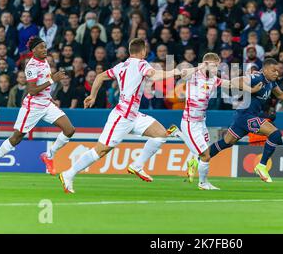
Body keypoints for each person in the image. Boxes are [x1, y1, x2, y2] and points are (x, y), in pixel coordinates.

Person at [58, 39, 195, 193]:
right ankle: (68, 174)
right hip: (121, 116)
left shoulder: (121, 66)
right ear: (142, 51)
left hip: (134, 115)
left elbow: (100, 77)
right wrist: (176, 71)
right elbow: (155, 76)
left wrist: (93, 95)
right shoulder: (142, 64)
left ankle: (137, 166)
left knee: (161, 135)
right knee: (100, 151)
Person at [0, 37, 76, 184]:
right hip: (32, 107)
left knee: (69, 130)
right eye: (41, 48)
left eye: (45, 47)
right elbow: (32, 90)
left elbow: (43, 81)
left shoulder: (44, 61)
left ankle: (49, 155)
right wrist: (53, 80)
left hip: (46, 104)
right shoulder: (31, 66)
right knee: (16, 137)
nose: (44, 50)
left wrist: (49, 94)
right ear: (33, 51)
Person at [207, 58, 283, 183]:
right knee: (275, 134)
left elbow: (280, 94)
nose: (277, 73)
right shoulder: (257, 77)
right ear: (264, 70)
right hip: (246, 116)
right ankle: (261, 166)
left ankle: (199, 158)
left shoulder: (271, 82)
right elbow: (236, 81)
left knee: (226, 142)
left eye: (278, 71)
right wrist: (252, 90)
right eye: (273, 70)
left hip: (243, 116)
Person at [180, 52, 262, 190]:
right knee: (205, 155)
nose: (216, 69)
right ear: (205, 64)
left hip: (201, 122)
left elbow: (230, 84)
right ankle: (202, 183)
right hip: (190, 122)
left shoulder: (214, 79)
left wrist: (251, 89)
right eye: (213, 66)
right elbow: (183, 73)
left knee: (204, 153)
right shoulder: (193, 76)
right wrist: (200, 67)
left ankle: (199, 174)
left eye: (217, 66)